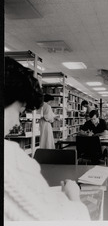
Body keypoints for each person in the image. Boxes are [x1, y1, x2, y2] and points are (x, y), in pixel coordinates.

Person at [4, 57, 90, 221]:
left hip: (43, 126)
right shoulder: (12, 159)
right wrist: (73, 198)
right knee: (48, 143)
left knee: (44, 144)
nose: (17, 122)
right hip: (47, 126)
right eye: (19, 111)